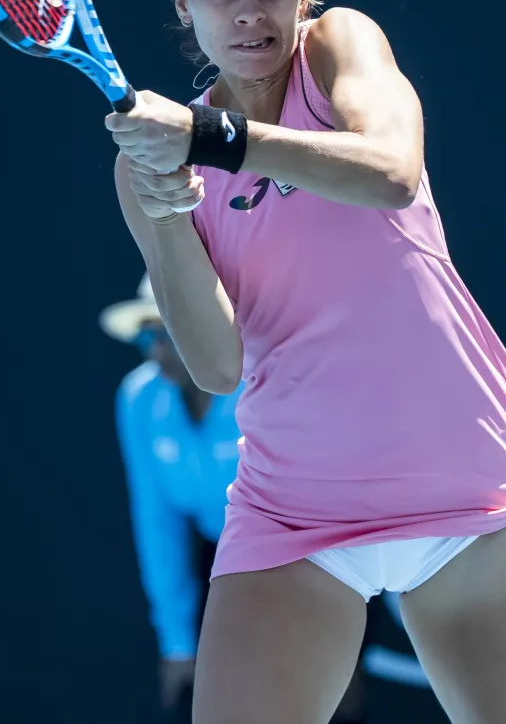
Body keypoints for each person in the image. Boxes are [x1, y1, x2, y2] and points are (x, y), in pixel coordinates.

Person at [104, 0, 506, 724]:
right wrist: (169, 213)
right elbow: (214, 362)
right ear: (185, 4)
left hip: (457, 486)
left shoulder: (339, 46)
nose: (251, 11)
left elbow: (391, 173)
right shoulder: (149, 169)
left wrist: (212, 137)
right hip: (293, 507)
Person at [102, 274, 370, 723]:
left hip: (313, 554)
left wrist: (329, 609)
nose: (156, 350)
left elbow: (323, 493)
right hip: (224, 561)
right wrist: (178, 641)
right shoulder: (138, 399)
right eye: (149, 335)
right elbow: (156, 523)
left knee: (334, 701)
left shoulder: (267, 377)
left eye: (166, 332)